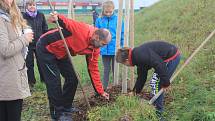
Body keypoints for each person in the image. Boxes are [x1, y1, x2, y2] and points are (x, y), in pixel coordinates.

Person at [36, 12, 111, 120]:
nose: (102, 47)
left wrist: (100, 92)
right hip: (47, 47)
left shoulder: (95, 49)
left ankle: (66, 106)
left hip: (62, 52)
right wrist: (57, 17)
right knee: (54, 81)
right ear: (96, 37)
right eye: (103, 44)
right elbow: (67, 22)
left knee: (73, 78)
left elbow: (93, 69)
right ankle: (57, 113)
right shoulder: (82, 30)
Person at [116, 41, 181, 117]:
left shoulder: (139, 55)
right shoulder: (136, 57)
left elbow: (159, 64)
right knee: (155, 83)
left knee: (156, 83)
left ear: (127, 60)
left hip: (171, 57)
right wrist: (135, 92)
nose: (126, 66)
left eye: (124, 64)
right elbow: (141, 77)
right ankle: (156, 106)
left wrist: (166, 83)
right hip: (163, 60)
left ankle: (158, 114)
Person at [0, 0, 33, 120]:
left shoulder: (11, 14)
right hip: (8, 77)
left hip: (12, 73)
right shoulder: (1, 19)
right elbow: (5, 49)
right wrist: (24, 39)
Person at [95, 0, 124, 90]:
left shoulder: (118, 19)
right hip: (104, 50)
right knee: (106, 69)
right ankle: (104, 88)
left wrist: (121, 46)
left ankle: (116, 87)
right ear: (103, 10)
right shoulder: (99, 20)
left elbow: (122, 33)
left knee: (115, 69)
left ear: (113, 10)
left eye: (110, 12)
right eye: (106, 12)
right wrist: (97, 46)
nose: (108, 14)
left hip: (115, 48)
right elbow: (96, 34)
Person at [23, 0, 48, 87]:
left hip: (39, 43)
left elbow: (45, 28)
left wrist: (45, 40)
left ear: (36, 5)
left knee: (41, 62)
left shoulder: (41, 15)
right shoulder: (23, 16)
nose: (32, 6)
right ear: (27, 6)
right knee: (29, 63)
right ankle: (31, 82)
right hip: (28, 43)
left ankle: (44, 80)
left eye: (33, 5)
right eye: (30, 5)